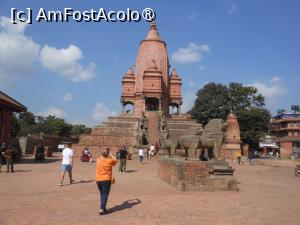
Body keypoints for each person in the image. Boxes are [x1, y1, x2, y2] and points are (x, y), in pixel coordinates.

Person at [96, 148, 117, 215]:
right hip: (106, 179)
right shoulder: (109, 161)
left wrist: (105, 152)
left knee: (102, 194)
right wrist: (111, 154)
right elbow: (115, 160)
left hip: (98, 179)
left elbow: (101, 156)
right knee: (105, 195)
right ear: (107, 155)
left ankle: (104, 208)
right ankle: (101, 209)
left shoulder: (98, 160)